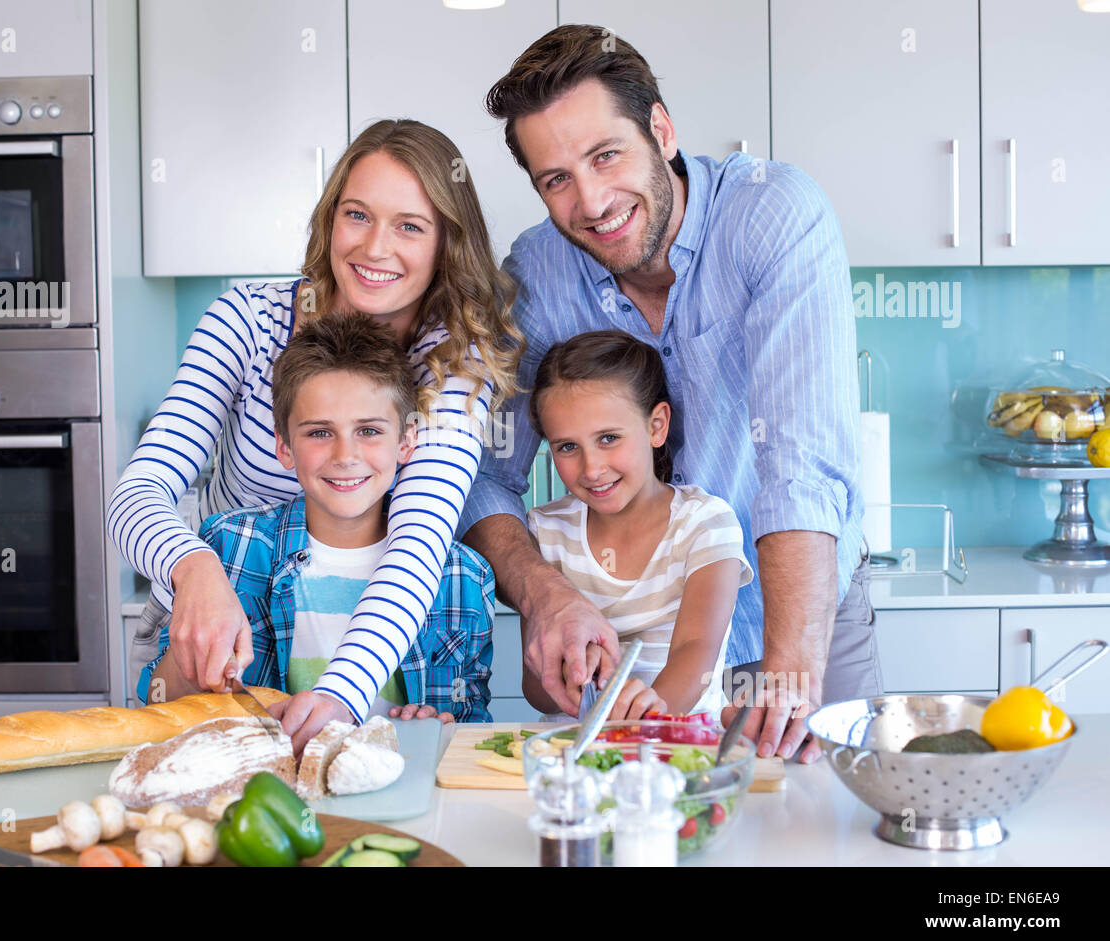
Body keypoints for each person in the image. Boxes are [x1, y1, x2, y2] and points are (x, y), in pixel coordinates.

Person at [459, 25, 880, 763]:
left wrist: (790, 669)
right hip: (632, 664)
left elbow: (799, 466)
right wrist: (541, 593)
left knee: (823, 825)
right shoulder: (538, 275)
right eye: (556, 178)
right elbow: (482, 477)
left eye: (605, 155)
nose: (590, 201)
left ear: (661, 128)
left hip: (795, 614)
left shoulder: (772, 217)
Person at [108, 120, 521, 752]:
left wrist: (341, 696)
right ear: (330, 219)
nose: (375, 247)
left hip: (374, 654)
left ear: (446, 245)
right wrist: (192, 569)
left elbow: (417, 542)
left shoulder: (457, 361)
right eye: (358, 215)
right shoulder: (245, 321)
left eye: (409, 225)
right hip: (230, 621)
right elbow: (138, 490)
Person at [139, 313, 494, 723]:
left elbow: (471, 722)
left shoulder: (464, 578)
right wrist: (200, 666)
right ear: (284, 447)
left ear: (407, 441)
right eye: (320, 433)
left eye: (369, 431)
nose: (345, 457)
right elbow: (158, 700)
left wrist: (438, 729)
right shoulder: (231, 547)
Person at [522, 331, 752, 721]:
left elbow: (695, 651)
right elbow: (534, 690)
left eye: (609, 438)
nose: (592, 468)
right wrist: (573, 669)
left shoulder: (705, 524)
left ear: (656, 426)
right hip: (571, 754)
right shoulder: (546, 532)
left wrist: (646, 720)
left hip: (674, 746)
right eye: (567, 446)